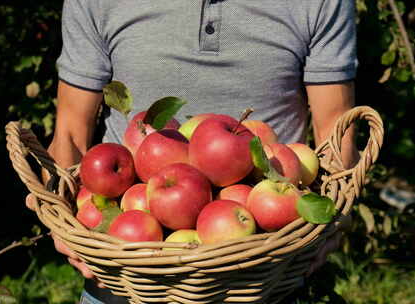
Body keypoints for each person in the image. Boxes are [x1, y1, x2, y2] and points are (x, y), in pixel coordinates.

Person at [26, 0, 360, 302]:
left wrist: (335, 216)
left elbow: (335, 130)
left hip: (265, 268)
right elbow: (71, 132)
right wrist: (60, 213)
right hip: (125, 273)